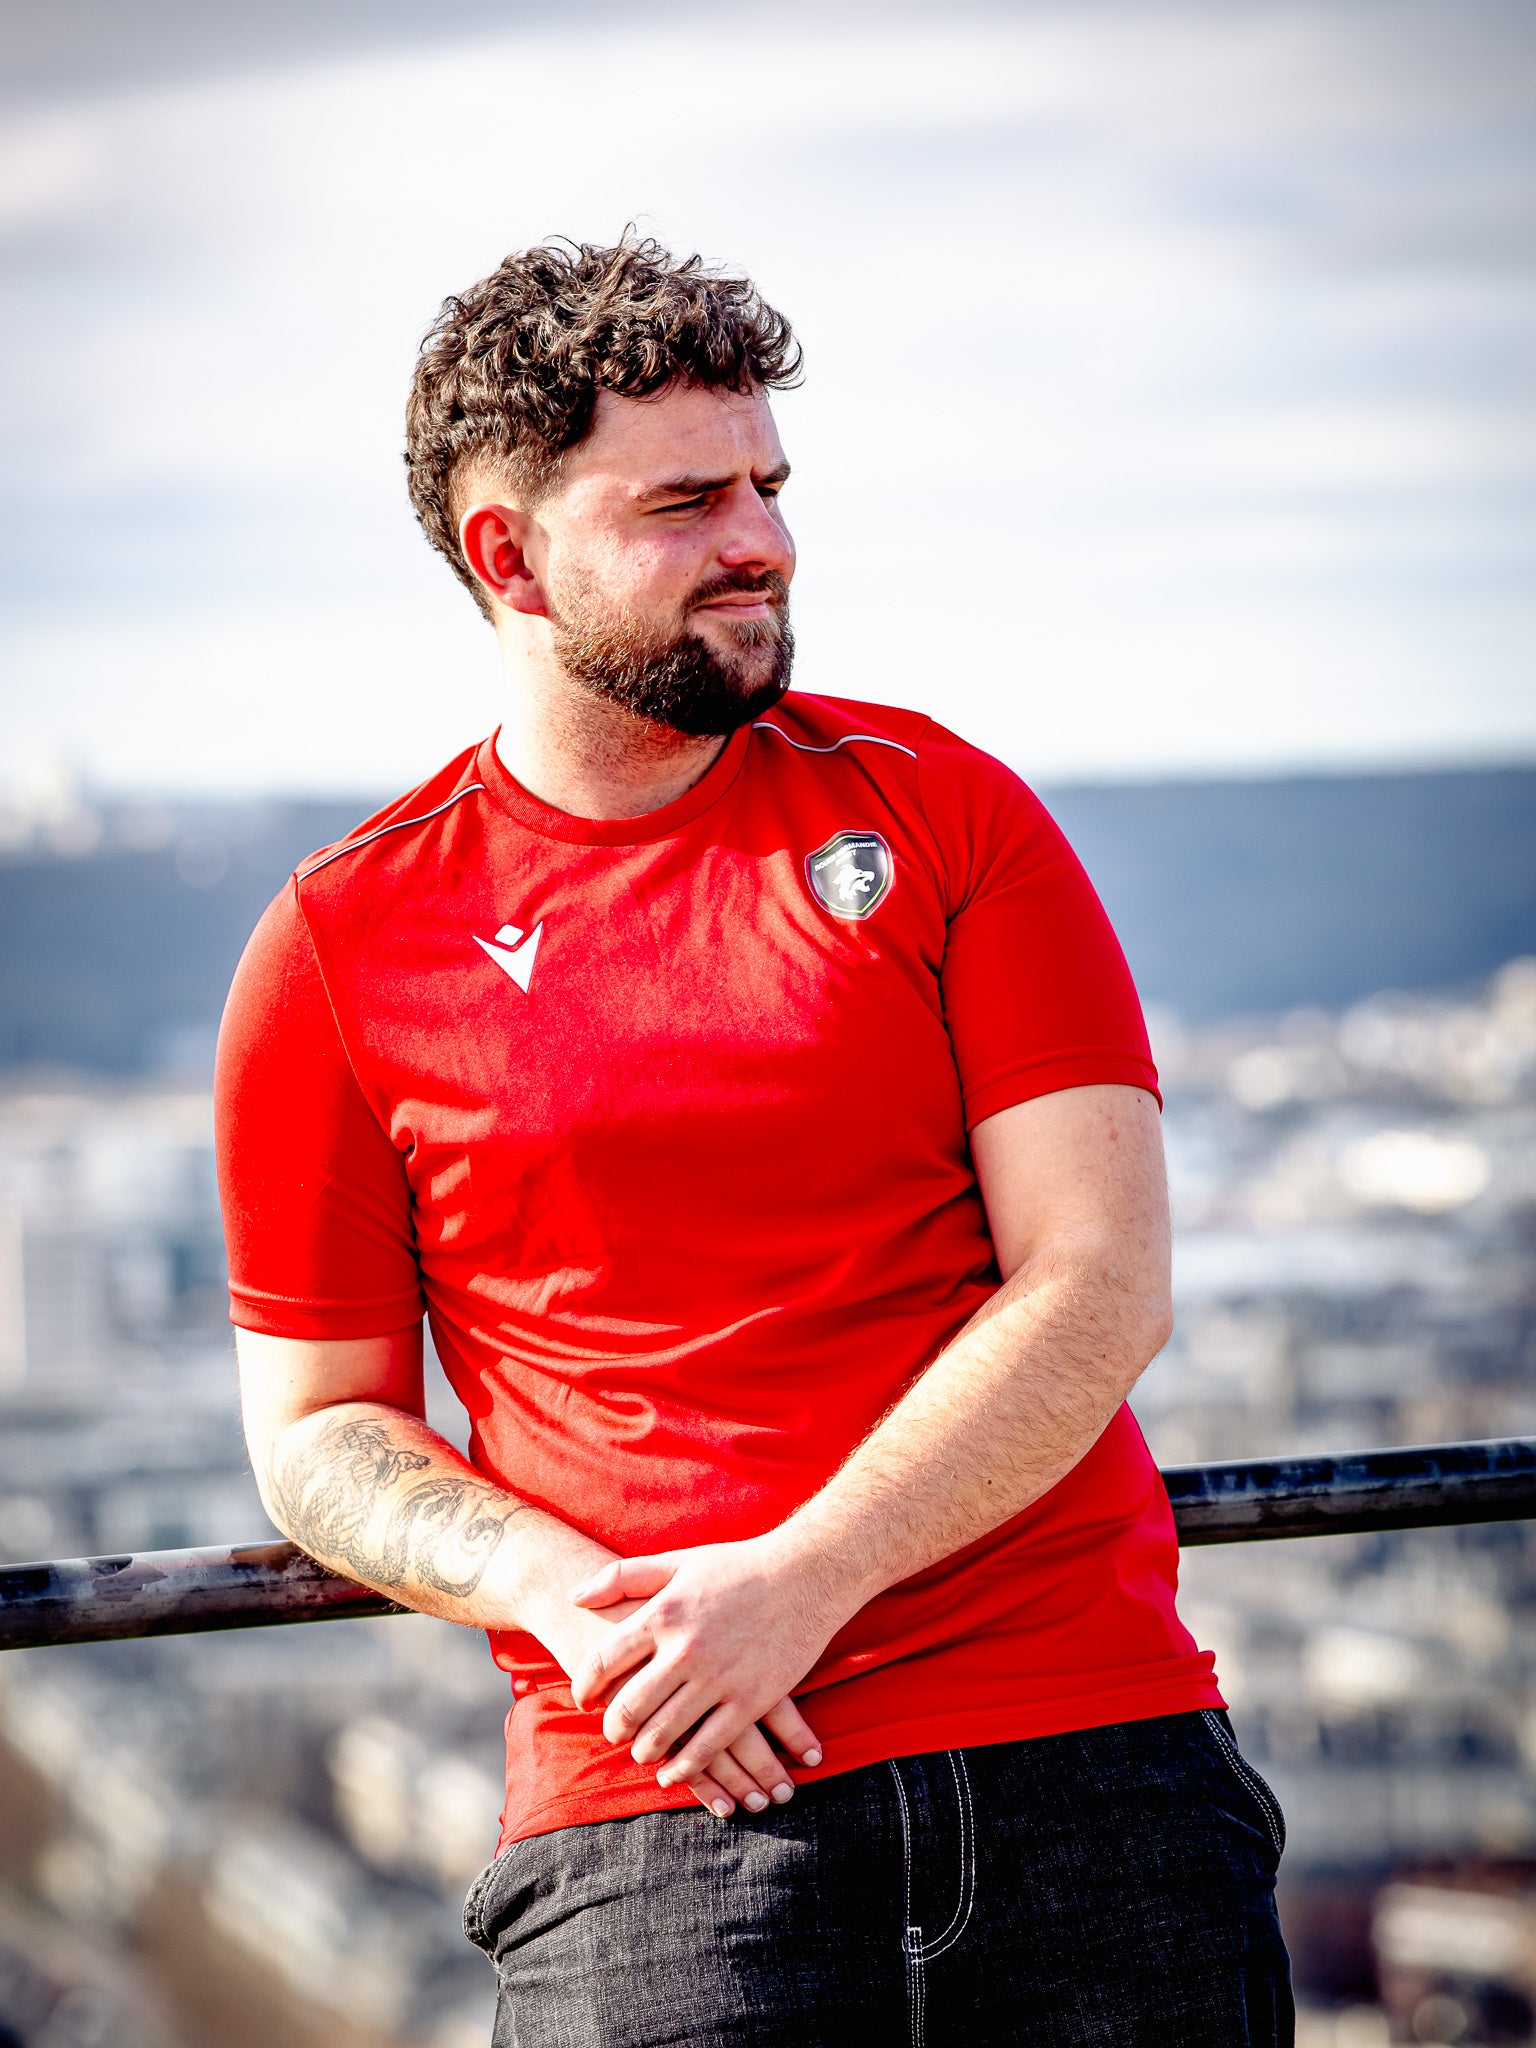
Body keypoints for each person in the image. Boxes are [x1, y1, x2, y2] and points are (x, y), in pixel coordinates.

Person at [215, 236, 1293, 2046]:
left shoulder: (943, 813)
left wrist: (795, 1585)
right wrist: (583, 1604)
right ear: (509, 555)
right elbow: (321, 1429)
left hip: (1090, 1757)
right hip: (660, 1821)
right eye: (687, 500)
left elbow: (1100, 1282)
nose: (765, 541)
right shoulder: (343, 945)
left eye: (772, 487)